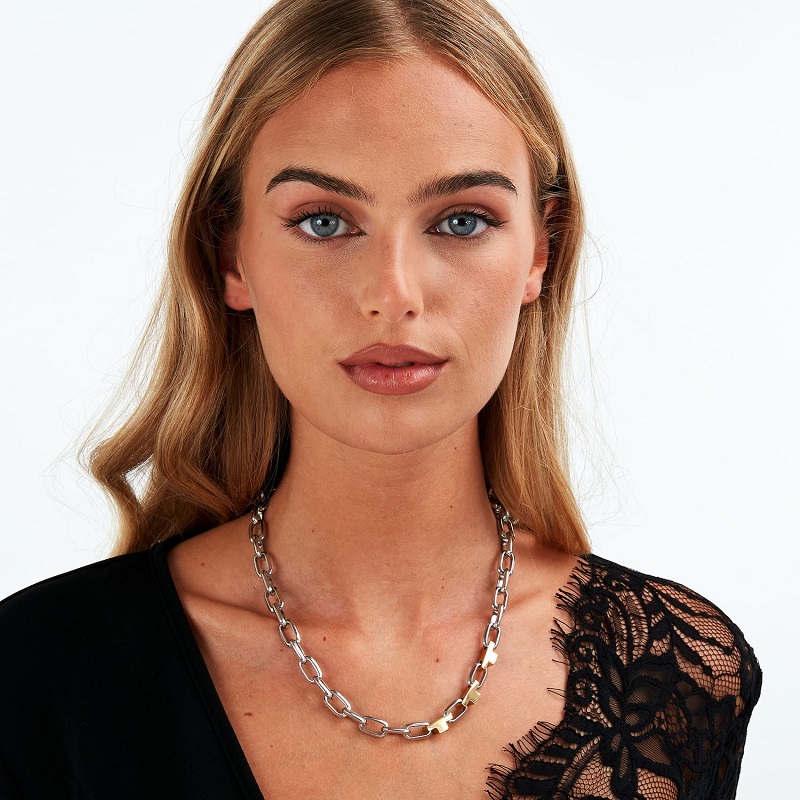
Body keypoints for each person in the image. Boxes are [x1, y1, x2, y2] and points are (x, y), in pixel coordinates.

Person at [0, 0, 761, 797]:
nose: (394, 295)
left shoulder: (680, 672)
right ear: (231, 256)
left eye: (461, 221)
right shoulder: (40, 675)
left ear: (541, 251)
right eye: (324, 222)